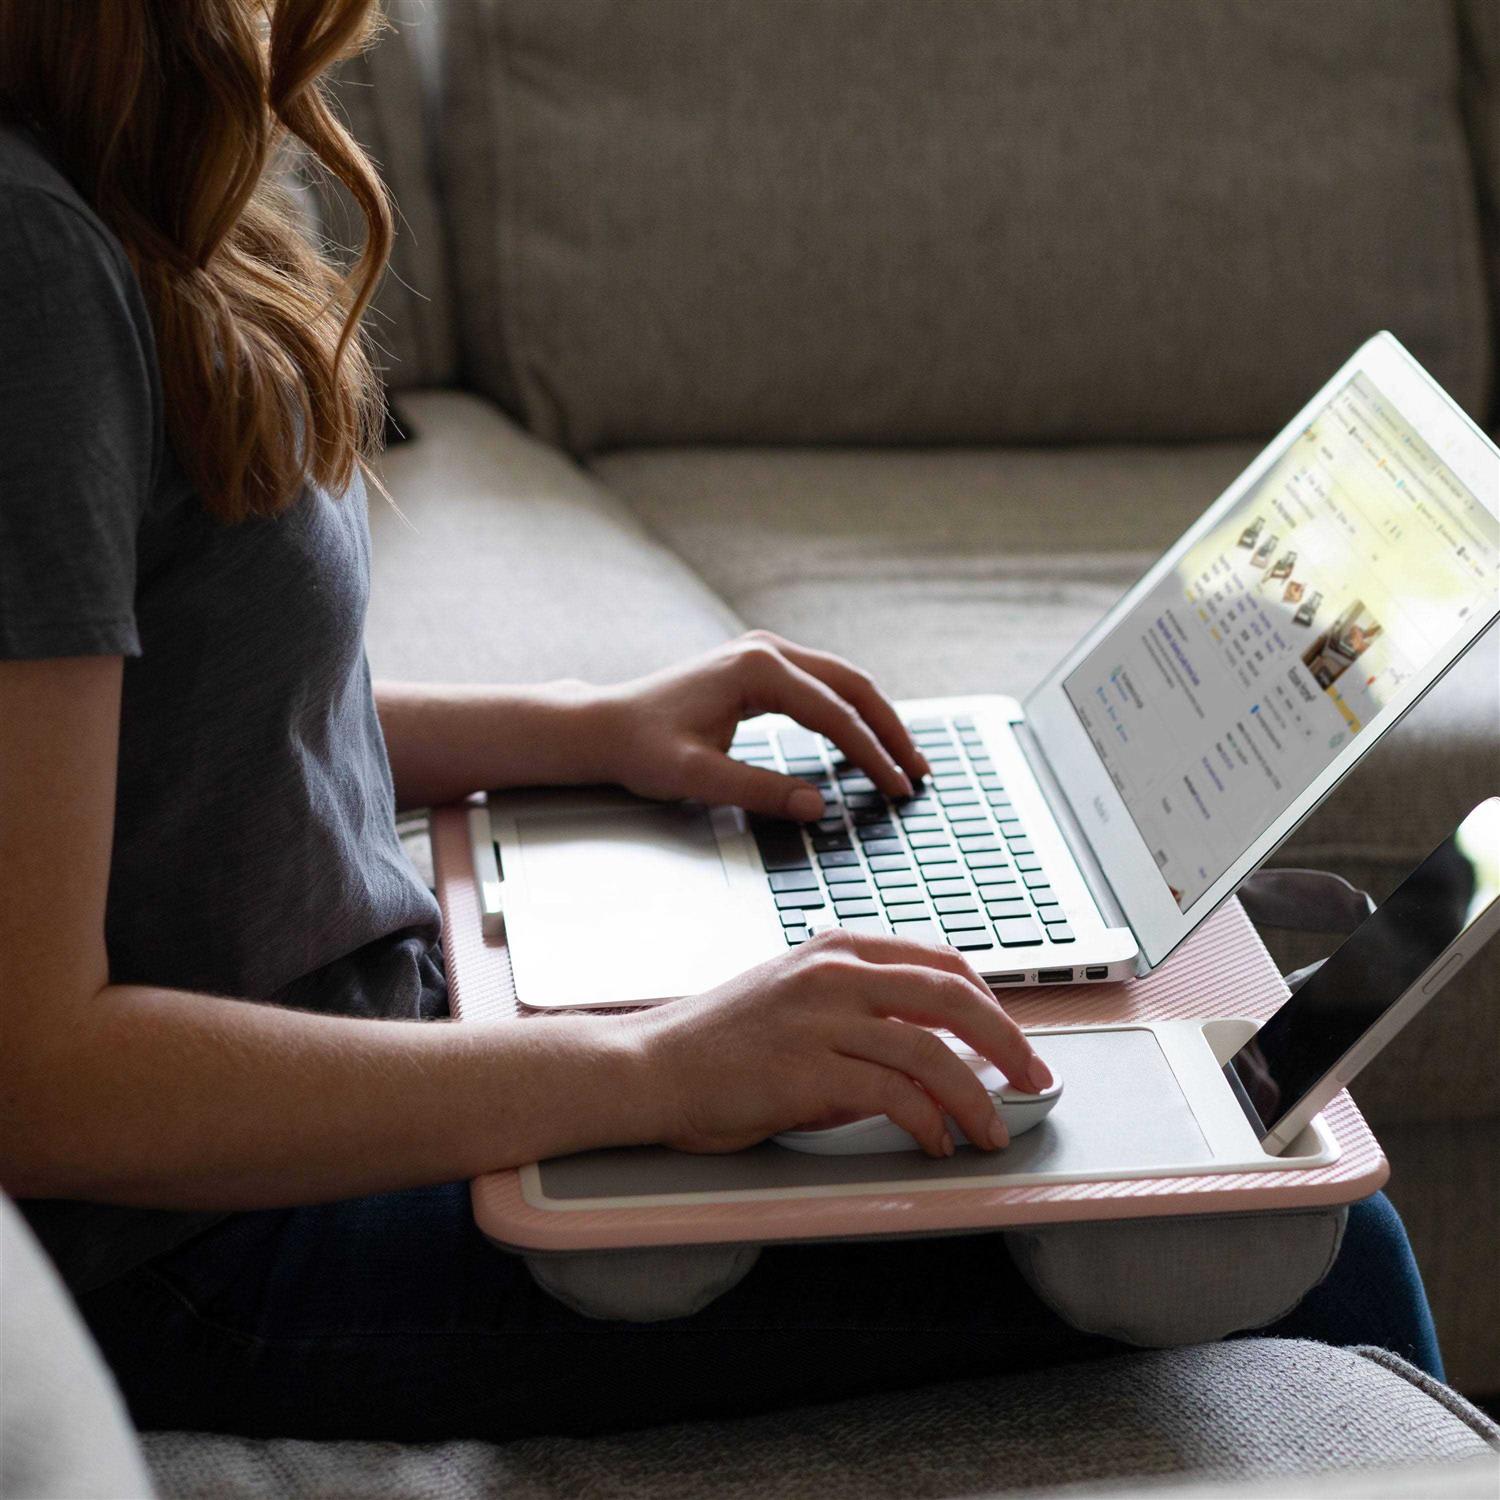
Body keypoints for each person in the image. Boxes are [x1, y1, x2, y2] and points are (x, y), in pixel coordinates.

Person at [0, 0, 1442, 1444]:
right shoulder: (35, 260)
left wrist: (587, 729)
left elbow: (177, 731)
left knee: (1194, 1142)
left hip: (351, 1073)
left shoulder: (126, 152)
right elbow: (39, 1079)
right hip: (194, 1248)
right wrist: (654, 1070)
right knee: (1319, 1250)